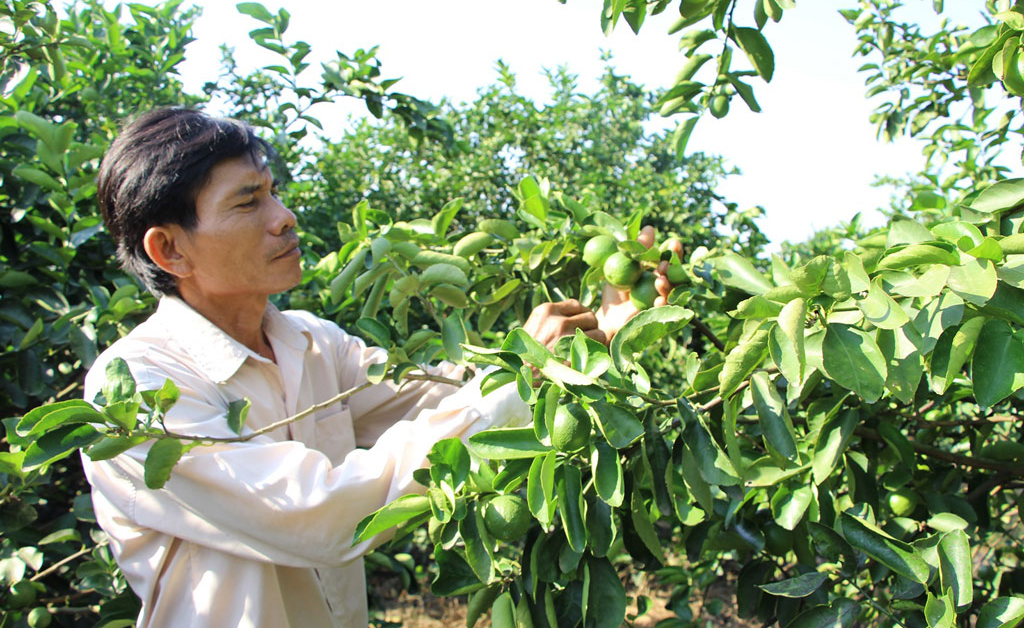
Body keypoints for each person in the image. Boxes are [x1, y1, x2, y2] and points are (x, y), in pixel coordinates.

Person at [83, 107, 678, 628]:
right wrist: (528, 369)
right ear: (170, 249)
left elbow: (457, 399)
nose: (284, 216)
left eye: (272, 191)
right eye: (248, 202)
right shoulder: (135, 394)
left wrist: (600, 338)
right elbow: (319, 513)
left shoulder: (316, 344)